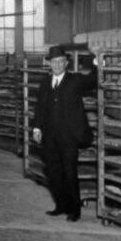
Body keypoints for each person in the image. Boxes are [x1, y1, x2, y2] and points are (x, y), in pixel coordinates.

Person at [31, 44, 99, 222]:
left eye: (61, 61)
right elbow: (40, 108)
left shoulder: (75, 80)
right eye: (54, 62)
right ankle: (60, 206)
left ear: (66, 63)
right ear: (50, 64)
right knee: (54, 173)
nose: (58, 65)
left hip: (69, 137)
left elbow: (94, 79)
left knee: (70, 173)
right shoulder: (45, 83)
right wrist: (37, 128)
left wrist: (98, 58)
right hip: (50, 137)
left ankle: (74, 209)